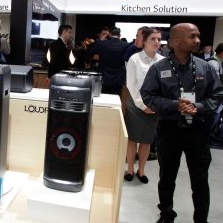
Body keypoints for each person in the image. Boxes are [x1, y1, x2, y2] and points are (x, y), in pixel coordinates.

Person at [140, 23, 223, 223]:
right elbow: (147, 95)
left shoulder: (205, 67)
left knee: (200, 180)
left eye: (198, 36)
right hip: (170, 130)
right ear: (176, 42)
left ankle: (201, 219)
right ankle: (167, 214)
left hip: (198, 132)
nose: (198, 41)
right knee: (166, 177)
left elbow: (217, 93)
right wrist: (174, 105)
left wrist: (200, 107)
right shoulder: (159, 69)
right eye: (192, 37)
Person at [124, 28, 164, 184]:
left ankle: (141, 169)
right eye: (153, 39)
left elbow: (164, 86)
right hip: (135, 104)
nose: (156, 42)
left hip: (153, 106)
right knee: (132, 139)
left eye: (159, 39)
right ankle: (129, 169)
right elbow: (131, 84)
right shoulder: (135, 59)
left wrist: (155, 104)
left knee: (147, 140)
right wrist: (142, 104)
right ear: (145, 41)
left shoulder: (162, 61)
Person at [87, 26, 129, 95]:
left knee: (103, 100)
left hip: (103, 78)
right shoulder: (126, 45)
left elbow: (90, 52)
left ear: (109, 34)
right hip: (118, 79)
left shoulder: (102, 44)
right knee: (116, 100)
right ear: (120, 35)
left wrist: (100, 40)